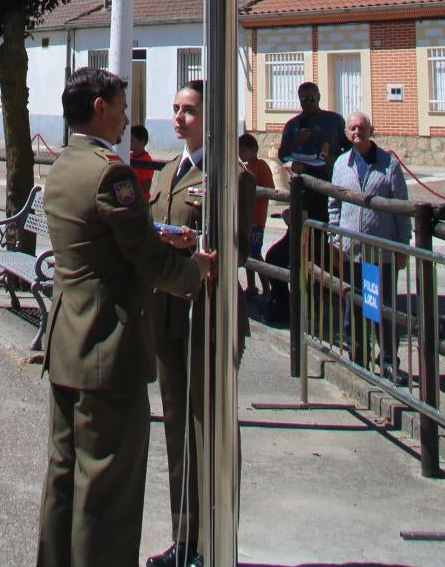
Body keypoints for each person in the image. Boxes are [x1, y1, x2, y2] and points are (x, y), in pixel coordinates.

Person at [36, 66, 214, 567]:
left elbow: (107, 239)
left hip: (68, 345)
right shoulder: (110, 172)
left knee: (64, 483)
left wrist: (155, 234)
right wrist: (194, 270)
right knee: (107, 493)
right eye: (121, 105)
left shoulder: (66, 164)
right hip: (107, 351)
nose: (126, 117)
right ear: (100, 108)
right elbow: (148, 263)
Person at [146, 79, 253, 567]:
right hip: (170, 315)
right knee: (176, 430)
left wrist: (199, 247)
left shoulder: (230, 175)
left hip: (210, 314)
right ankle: (184, 539)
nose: (179, 118)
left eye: (188, 110)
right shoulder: (167, 171)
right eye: (175, 109)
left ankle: (215, 539)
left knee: (208, 428)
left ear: (210, 117)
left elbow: (239, 248)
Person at [328, 112, 410, 375]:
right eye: (352, 128)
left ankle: (388, 359)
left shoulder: (388, 165)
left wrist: (402, 245)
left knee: (380, 305)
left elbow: (400, 206)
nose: (357, 132)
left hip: (379, 250)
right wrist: (334, 239)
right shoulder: (342, 164)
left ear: (370, 130)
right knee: (354, 302)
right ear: (346, 133)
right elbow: (334, 205)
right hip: (351, 250)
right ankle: (358, 353)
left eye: (361, 127)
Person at [278, 81, 348, 210]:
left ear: (319, 97)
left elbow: (349, 149)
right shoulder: (292, 125)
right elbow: (283, 156)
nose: (307, 103)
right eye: (303, 99)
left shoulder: (333, 120)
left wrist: (337, 159)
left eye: (311, 99)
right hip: (302, 187)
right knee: (301, 227)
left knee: (326, 225)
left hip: (329, 182)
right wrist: (296, 143)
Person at [239, 132, 274, 297]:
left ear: (253, 150)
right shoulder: (243, 168)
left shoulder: (261, 167)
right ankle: (251, 286)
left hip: (257, 219)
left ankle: (266, 287)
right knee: (247, 253)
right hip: (246, 218)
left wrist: (252, 192)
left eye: (244, 150)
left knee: (256, 254)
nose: (241, 154)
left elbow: (270, 189)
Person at [130, 123, 157, 191]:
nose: (129, 143)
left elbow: (146, 187)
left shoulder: (146, 160)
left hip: (142, 199)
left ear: (142, 141)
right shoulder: (129, 156)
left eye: (132, 140)